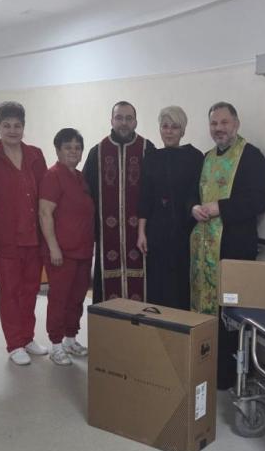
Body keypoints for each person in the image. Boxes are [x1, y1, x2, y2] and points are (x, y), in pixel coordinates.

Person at [190, 102, 265, 389]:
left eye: (224, 123)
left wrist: (220, 207)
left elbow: (259, 199)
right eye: (214, 124)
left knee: (231, 314)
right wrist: (194, 207)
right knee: (204, 309)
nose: (218, 129)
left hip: (233, 249)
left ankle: (229, 375)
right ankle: (205, 367)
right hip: (204, 249)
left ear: (236, 124)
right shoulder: (206, 157)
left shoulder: (251, 157)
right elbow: (194, 194)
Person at [0, 101, 49, 365]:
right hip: (5, 238)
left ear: (24, 127)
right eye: (7, 125)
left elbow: (45, 194)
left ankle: (27, 337)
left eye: (17, 125)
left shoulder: (36, 155)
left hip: (34, 237)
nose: (13, 130)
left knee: (30, 290)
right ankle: (14, 343)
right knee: (10, 291)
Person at [82, 101, 156, 302]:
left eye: (128, 118)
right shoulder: (98, 152)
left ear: (135, 122)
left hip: (141, 235)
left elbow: (155, 193)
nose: (124, 123)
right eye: (119, 118)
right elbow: (85, 194)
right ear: (112, 120)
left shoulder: (147, 149)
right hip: (107, 237)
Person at [136, 106, 204, 310]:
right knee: (158, 284)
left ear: (183, 130)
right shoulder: (151, 157)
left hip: (185, 230)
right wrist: (141, 232)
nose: (169, 131)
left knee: (181, 284)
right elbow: (145, 196)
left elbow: (197, 192)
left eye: (175, 127)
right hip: (157, 231)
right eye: (165, 126)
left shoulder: (195, 157)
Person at [39, 128, 94, 366]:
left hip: (83, 250)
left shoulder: (80, 177)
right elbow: (45, 213)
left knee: (77, 297)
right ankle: (56, 344)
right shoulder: (53, 176)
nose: (73, 151)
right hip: (61, 252)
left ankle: (71, 338)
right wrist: (53, 247)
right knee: (59, 298)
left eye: (77, 147)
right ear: (58, 150)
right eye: (68, 147)